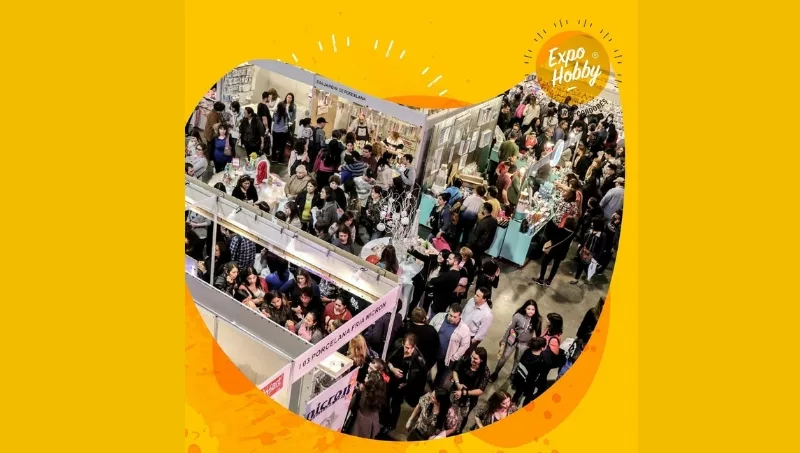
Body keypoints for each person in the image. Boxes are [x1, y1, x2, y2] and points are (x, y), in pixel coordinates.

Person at [490, 299, 542, 381]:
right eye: (528, 309)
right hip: (513, 340)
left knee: (518, 359)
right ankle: (496, 372)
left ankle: (513, 374)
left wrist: (534, 345)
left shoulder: (537, 319)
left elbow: (538, 333)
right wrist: (504, 341)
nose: (531, 311)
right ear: (525, 308)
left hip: (525, 344)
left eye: (533, 309)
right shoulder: (517, 316)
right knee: (504, 357)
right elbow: (509, 329)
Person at [386, 333, 427, 432]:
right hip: (390, 380)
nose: (409, 350)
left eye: (411, 348)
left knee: (395, 404)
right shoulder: (397, 347)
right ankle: (385, 419)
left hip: (403, 386)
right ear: (402, 344)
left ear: (415, 346)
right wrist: (392, 369)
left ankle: (392, 424)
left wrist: (406, 384)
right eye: (407, 347)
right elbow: (387, 359)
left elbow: (419, 380)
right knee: (385, 399)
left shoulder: (419, 360)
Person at [429, 303, 472, 388]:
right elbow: (430, 328)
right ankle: (427, 380)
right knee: (427, 367)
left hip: (447, 357)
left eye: (455, 317)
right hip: (433, 351)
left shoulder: (464, 329)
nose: (452, 318)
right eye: (450, 315)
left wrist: (455, 357)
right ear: (448, 311)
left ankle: (436, 390)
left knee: (441, 376)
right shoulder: (439, 316)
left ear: (460, 316)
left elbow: (465, 345)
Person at [451, 347, 490, 432]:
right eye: (472, 356)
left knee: (462, 416)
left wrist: (464, 393)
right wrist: (458, 383)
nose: (472, 359)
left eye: (475, 358)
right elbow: (455, 371)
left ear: (482, 360)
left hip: (469, 399)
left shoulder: (485, 371)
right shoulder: (465, 359)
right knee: (450, 410)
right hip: (456, 391)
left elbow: (480, 390)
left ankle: (457, 431)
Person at [535, 217, 578, 287]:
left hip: (553, 250)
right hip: (562, 253)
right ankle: (549, 281)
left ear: (566, 223)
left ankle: (541, 279)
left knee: (545, 262)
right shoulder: (572, 234)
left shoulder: (559, 230)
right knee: (555, 266)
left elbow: (550, 236)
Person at [397, 308, 440, 374]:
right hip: (422, 366)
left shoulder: (406, 328)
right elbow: (436, 350)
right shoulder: (431, 331)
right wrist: (427, 367)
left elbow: (397, 345)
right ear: (424, 318)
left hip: (404, 363)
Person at [347, 371, 387, 439]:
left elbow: (348, 407)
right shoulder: (379, 397)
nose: (366, 374)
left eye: (368, 376)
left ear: (370, 382)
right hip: (371, 425)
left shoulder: (360, 394)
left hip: (357, 424)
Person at [511, 337, 549, 406]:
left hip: (520, 378)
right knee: (528, 399)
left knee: (517, 393)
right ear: (542, 348)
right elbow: (540, 376)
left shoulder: (527, 351)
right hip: (529, 384)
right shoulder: (540, 361)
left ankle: (512, 404)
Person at [571, 218, 607, 284]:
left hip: (593, 255)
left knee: (588, 267)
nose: (592, 224)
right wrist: (580, 246)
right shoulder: (590, 231)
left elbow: (601, 248)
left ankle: (588, 278)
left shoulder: (602, 235)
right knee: (580, 265)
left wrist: (595, 258)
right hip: (585, 251)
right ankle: (576, 278)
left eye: (594, 223)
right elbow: (585, 239)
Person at [461, 288, 493, 356]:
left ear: (484, 299)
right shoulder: (471, 301)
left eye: (478, 296)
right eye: (475, 294)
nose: (474, 296)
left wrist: (470, 342)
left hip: (469, 337)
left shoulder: (487, 314)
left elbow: (481, 334)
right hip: (459, 329)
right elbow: (463, 313)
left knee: (462, 355)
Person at [466, 203, 498, 269]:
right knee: (476, 256)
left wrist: (469, 245)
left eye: (481, 208)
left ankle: (476, 269)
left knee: (474, 257)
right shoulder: (494, 220)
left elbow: (475, 235)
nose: (480, 209)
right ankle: (479, 268)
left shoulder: (482, 223)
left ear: (485, 210)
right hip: (486, 244)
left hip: (477, 245)